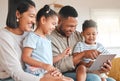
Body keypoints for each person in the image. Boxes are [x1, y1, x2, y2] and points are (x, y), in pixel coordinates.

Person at [0, 0, 71, 81]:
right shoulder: (3, 37)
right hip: (12, 78)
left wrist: (52, 71)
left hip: (32, 75)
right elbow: (17, 74)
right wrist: (43, 78)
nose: (34, 21)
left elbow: (42, 60)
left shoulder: (29, 33)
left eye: (35, 17)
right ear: (18, 14)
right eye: (31, 16)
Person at [48, 5, 115, 81]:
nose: (73, 30)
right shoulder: (50, 38)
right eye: (70, 26)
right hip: (63, 73)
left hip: (85, 70)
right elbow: (58, 66)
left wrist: (103, 67)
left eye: (75, 26)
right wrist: (83, 54)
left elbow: (90, 41)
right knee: (94, 78)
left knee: (111, 80)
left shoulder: (77, 35)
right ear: (59, 20)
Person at [22, 5, 73, 81]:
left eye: (55, 25)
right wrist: (44, 65)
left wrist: (62, 55)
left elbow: (48, 61)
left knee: (70, 80)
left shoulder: (47, 40)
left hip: (46, 71)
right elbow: (25, 57)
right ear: (43, 20)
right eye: (53, 24)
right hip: (36, 74)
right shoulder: (32, 37)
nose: (54, 27)